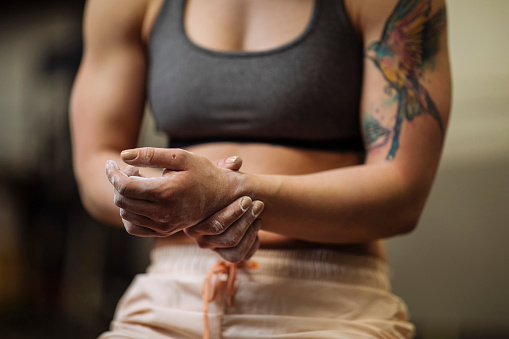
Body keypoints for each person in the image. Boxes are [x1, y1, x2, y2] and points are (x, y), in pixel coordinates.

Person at [70, 0, 451, 337]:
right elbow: (94, 162)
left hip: (329, 302)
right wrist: (160, 197)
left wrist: (227, 194)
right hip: (169, 290)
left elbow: (403, 193)